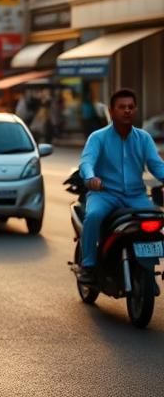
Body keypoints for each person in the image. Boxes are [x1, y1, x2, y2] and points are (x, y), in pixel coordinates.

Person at [76, 88, 164, 284]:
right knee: (93, 216)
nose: (127, 111)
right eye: (122, 107)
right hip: (104, 195)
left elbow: (157, 166)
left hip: (136, 197)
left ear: (136, 110)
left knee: (158, 218)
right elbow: (87, 162)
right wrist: (91, 178)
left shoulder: (144, 138)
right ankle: (88, 266)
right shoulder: (98, 137)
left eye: (131, 107)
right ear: (112, 111)